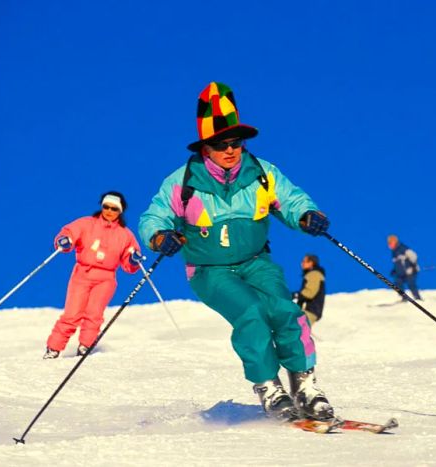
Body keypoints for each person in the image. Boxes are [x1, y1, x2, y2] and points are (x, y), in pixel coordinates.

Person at [139, 82, 336, 421]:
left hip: (257, 261)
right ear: (205, 146)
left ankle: (304, 384)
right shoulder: (182, 183)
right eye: (220, 143)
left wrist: (307, 215)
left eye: (236, 142)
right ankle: (269, 388)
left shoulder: (261, 173)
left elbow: (290, 199)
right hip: (209, 269)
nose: (230, 150)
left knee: (286, 312)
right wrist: (159, 237)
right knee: (251, 312)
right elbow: (153, 217)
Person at [44, 191, 144, 359]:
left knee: (94, 314)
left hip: (106, 279)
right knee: (72, 314)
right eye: (106, 207)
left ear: (120, 211)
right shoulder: (86, 224)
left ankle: (85, 346)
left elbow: (129, 258)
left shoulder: (125, 234)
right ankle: (53, 348)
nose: (109, 211)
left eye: (114, 209)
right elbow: (69, 232)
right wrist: (64, 240)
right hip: (83, 273)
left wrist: (133, 260)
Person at [293, 254, 326, 326]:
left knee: (298, 332)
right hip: (309, 311)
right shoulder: (312, 274)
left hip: (309, 311)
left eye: (304, 261)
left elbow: (310, 293)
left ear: (311, 263)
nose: (302, 263)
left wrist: (295, 295)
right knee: (298, 332)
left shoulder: (314, 274)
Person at [387, 234, 422, 301]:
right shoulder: (394, 252)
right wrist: (394, 270)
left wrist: (413, 266)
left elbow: (413, 255)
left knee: (411, 284)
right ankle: (404, 297)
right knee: (397, 283)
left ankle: (417, 298)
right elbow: (398, 263)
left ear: (395, 242)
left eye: (391, 243)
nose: (389, 245)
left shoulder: (402, 248)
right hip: (400, 273)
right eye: (389, 243)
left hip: (409, 271)